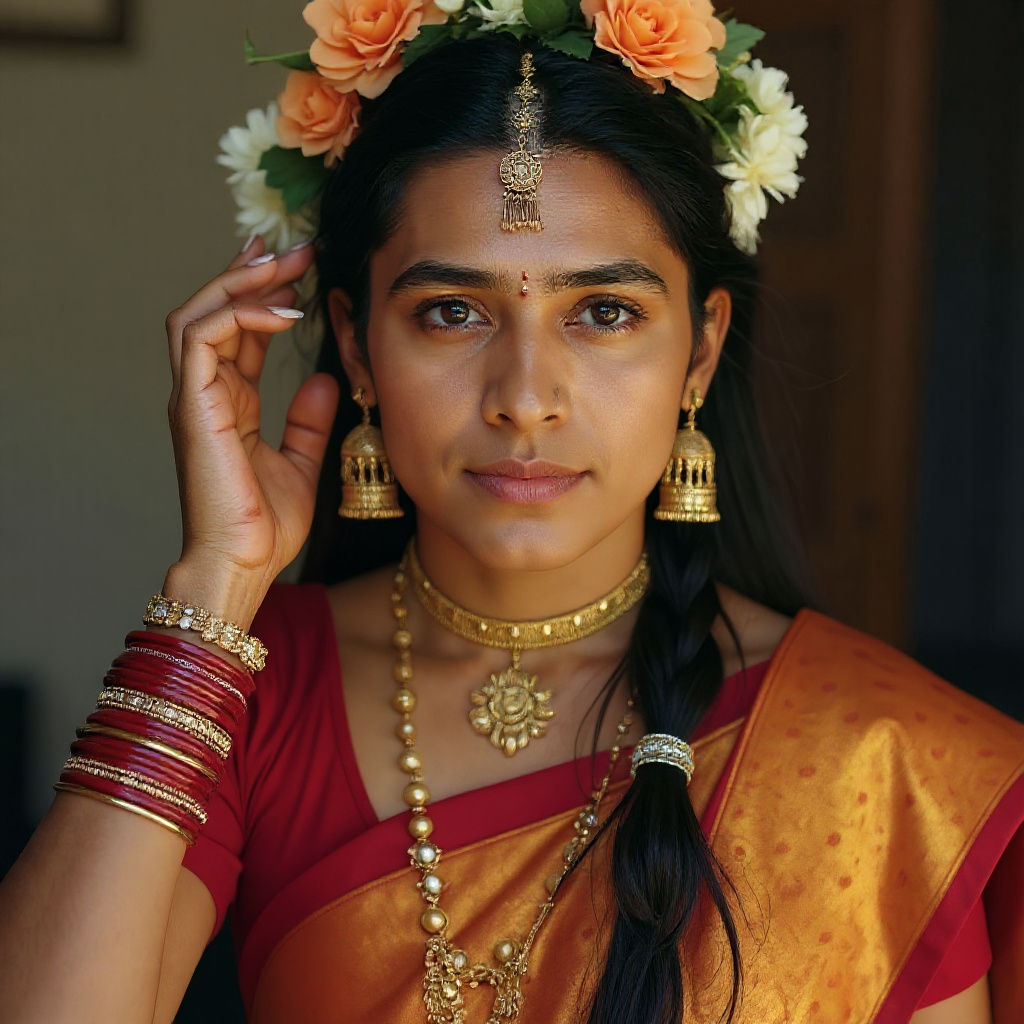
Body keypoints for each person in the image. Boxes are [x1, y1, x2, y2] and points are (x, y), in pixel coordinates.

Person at [0, 4, 1021, 1023]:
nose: (525, 396)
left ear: (699, 352)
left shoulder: (878, 760)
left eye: (603, 313)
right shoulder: (256, 685)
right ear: (355, 348)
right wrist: (215, 581)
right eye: (452, 312)